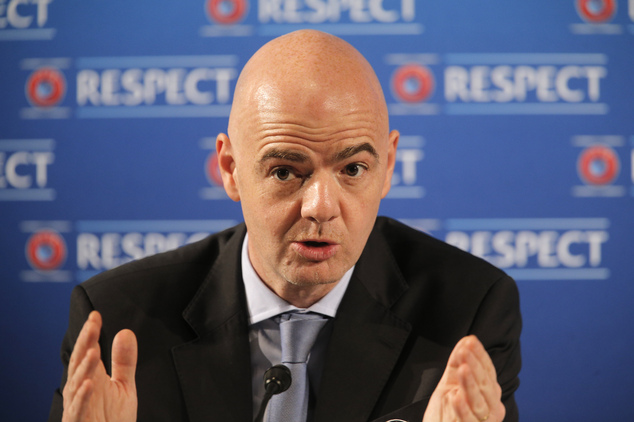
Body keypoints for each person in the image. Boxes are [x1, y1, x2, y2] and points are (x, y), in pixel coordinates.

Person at [49, 30, 521, 422]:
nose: (320, 207)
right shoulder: (118, 321)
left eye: (353, 169)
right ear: (230, 169)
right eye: (285, 172)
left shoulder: (468, 312)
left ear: (389, 165)